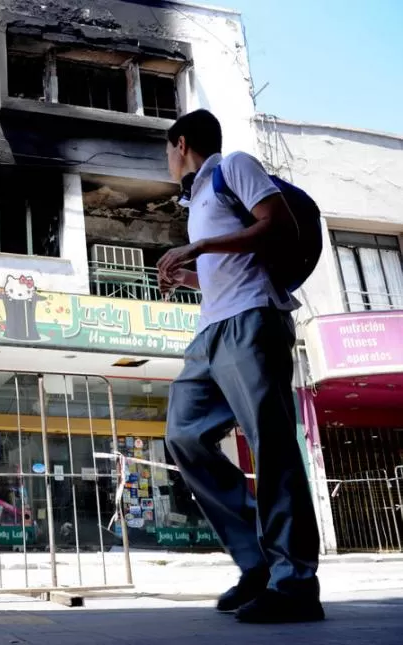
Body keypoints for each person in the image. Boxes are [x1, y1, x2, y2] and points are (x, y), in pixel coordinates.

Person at [157, 109, 324, 624]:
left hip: (254, 319)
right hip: (212, 330)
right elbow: (226, 271)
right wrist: (190, 277)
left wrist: (201, 245)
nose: (167, 161)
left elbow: (275, 222)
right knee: (182, 435)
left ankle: (294, 582)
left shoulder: (234, 166)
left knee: (272, 445)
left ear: (180, 143)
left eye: (167, 151)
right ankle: (257, 561)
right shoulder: (197, 202)